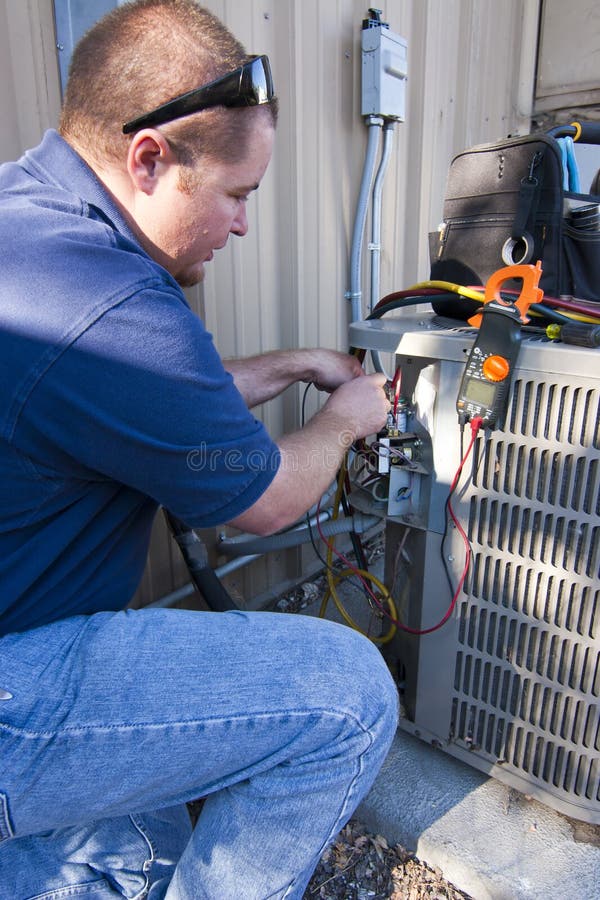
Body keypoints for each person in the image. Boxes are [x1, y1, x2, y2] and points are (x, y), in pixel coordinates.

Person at [0, 1, 398, 897]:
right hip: (15, 689)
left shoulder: (30, 225)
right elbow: (267, 499)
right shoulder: (113, 303)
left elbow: (144, 392)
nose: (245, 225)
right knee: (350, 697)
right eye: (238, 194)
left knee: (141, 853)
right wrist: (345, 421)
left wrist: (297, 363)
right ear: (150, 160)